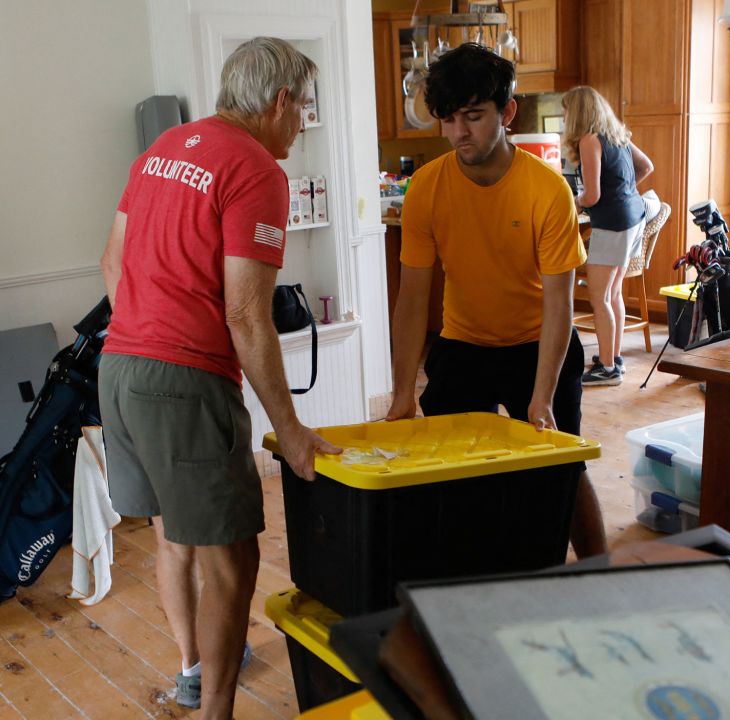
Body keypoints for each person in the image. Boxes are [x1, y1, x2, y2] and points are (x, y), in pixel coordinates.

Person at [98, 37, 339, 718]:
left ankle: (192, 672)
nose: (300, 124)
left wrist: (147, 331)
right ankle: (216, 713)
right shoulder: (256, 168)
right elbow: (246, 313)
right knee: (232, 560)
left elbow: (111, 264)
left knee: (176, 537)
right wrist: (290, 429)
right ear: (281, 101)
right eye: (303, 109)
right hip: (184, 384)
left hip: (118, 369)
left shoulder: (161, 151)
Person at [386, 43, 608, 559]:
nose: (459, 132)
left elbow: (559, 305)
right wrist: (402, 391)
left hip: (539, 346)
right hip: (463, 347)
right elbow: (412, 298)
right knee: (456, 479)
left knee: (561, 472)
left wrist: (543, 396)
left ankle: (603, 571)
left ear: (507, 113)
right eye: (448, 119)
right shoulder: (426, 188)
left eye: (473, 116)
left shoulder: (546, 191)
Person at [561, 86, 654, 386]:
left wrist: (572, 201)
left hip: (613, 223)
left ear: (577, 113)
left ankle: (608, 369)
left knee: (598, 296)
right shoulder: (618, 137)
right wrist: (624, 191)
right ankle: (612, 359)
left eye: (566, 113)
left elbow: (592, 195)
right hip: (633, 217)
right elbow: (646, 166)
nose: (564, 118)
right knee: (612, 293)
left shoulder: (590, 140)